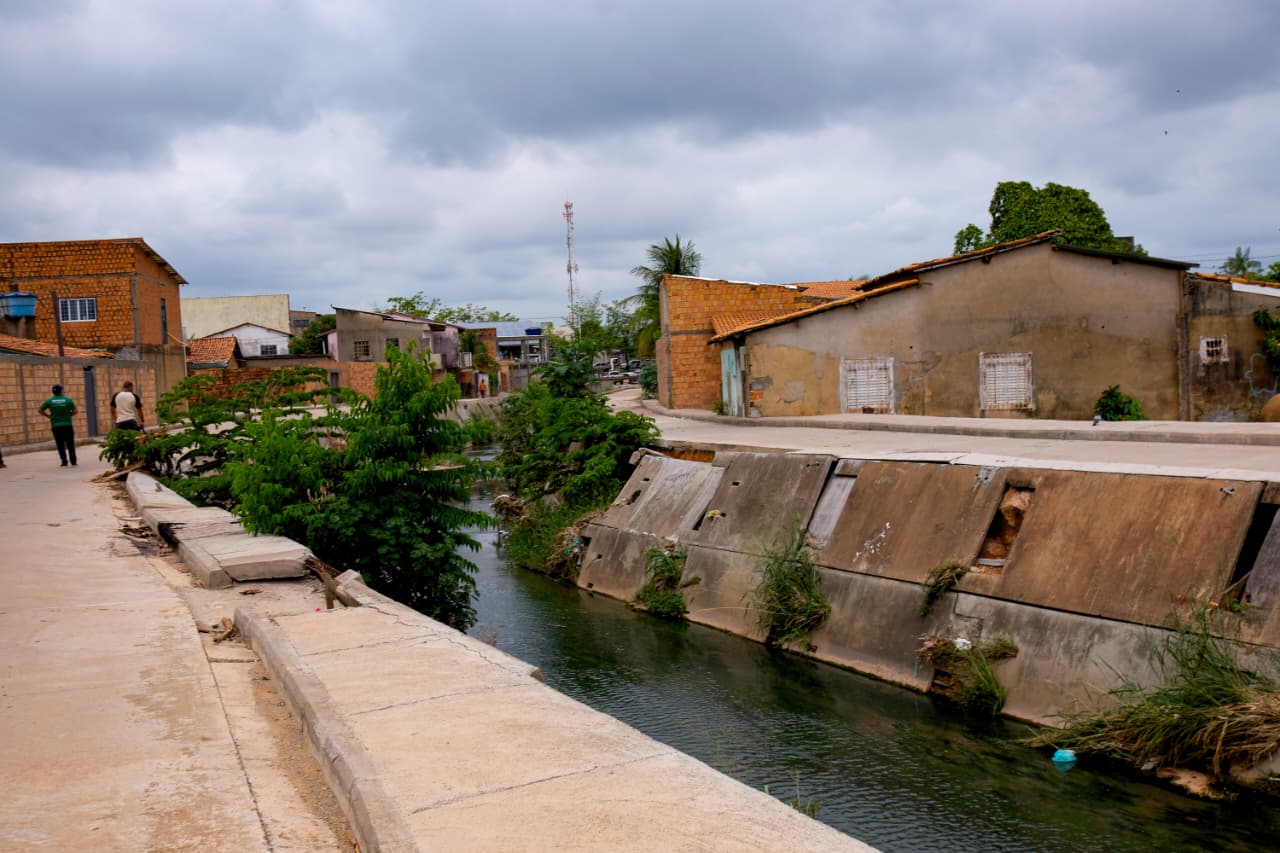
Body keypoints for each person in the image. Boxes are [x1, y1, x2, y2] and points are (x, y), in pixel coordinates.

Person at [39, 384, 78, 467]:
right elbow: (75, 411)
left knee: (60, 444)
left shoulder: (49, 401)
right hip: (67, 425)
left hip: (56, 426)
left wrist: (48, 416)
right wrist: (68, 414)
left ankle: (64, 462)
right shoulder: (68, 400)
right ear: (61, 391)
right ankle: (73, 461)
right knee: (70, 444)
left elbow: (40, 410)